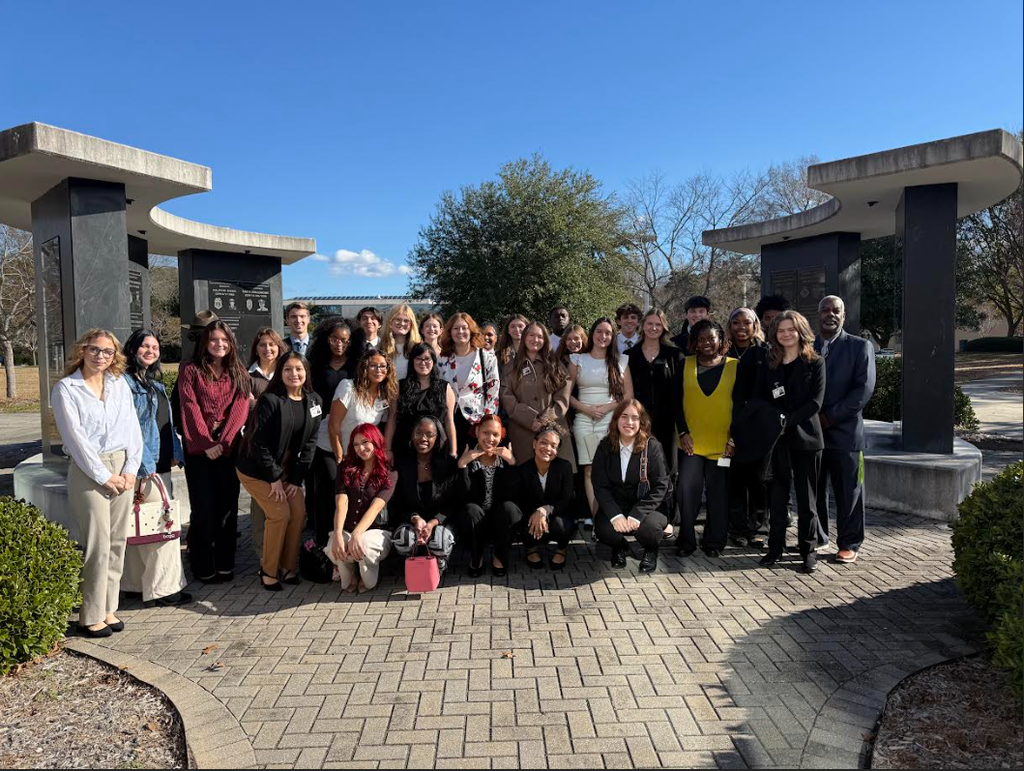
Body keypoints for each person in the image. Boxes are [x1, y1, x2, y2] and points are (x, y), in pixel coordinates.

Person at [52, 329, 143, 637]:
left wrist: (130, 469)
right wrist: (104, 476)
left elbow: (132, 428)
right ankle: (89, 615)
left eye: (107, 351)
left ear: (114, 355)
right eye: (94, 349)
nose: (100, 356)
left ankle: (108, 608)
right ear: (83, 350)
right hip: (88, 469)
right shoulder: (67, 389)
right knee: (97, 545)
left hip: (122, 464)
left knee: (117, 542)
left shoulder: (119, 384)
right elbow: (75, 439)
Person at [236, 352, 322, 591]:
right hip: (257, 469)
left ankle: (288, 567)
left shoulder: (314, 401)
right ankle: (268, 570)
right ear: (280, 373)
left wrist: (295, 479)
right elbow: (259, 444)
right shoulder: (270, 400)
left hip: (287, 470)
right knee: (279, 514)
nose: (294, 374)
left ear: (306, 372)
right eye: (287, 369)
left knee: (298, 513)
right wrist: (274, 478)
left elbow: (310, 444)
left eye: (299, 369)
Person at [177, 320, 251, 584]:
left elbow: (241, 407)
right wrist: (206, 443)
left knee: (227, 508)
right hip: (200, 450)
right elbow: (189, 405)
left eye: (224, 340)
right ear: (205, 343)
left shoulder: (238, 370)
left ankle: (225, 563)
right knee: (203, 509)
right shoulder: (191, 369)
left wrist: (225, 442)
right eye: (213, 340)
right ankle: (202, 564)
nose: (219, 344)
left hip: (228, 448)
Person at [121, 330, 190, 608]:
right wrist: (143, 464)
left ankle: (136, 585)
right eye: (144, 346)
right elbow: (129, 428)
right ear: (132, 349)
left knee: (142, 525)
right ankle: (164, 589)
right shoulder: (124, 384)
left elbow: (165, 424)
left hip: (159, 464)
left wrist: (175, 452)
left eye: (155, 347)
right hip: (142, 466)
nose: (151, 351)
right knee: (162, 528)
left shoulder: (155, 384)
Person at [756, 311, 826, 573]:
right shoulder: (769, 363)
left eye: (791, 329)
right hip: (778, 441)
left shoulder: (815, 362)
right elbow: (762, 398)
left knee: (807, 501)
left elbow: (816, 402)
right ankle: (775, 548)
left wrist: (788, 421)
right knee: (777, 498)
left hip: (807, 439)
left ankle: (808, 551)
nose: (786, 334)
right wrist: (776, 421)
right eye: (781, 330)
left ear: (801, 331)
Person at [814, 295, 876, 564]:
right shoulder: (808, 346)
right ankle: (818, 537)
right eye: (825, 310)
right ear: (818, 315)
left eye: (835, 311)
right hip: (813, 433)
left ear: (843, 315)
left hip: (845, 434)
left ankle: (849, 543)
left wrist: (829, 417)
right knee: (814, 490)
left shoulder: (860, 347)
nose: (830, 314)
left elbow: (863, 390)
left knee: (849, 491)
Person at [673, 320, 737, 559]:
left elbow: (742, 406)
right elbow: (675, 402)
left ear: (720, 339)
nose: (706, 343)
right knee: (686, 491)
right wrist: (683, 432)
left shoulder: (735, 366)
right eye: (701, 339)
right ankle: (686, 540)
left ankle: (714, 541)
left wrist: (734, 440)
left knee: (718, 494)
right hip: (691, 443)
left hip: (723, 446)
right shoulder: (685, 364)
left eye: (711, 338)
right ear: (695, 343)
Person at [592, 400, 671, 573]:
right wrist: (615, 515)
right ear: (616, 420)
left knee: (649, 529)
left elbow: (660, 486)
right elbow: (599, 485)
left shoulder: (653, 447)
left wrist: (638, 513)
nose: (629, 422)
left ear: (641, 422)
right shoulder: (605, 446)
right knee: (603, 530)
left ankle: (651, 550)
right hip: (618, 505)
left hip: (648, 507)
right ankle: (620, 546)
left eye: (635, 418)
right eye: (624, 416)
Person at [569, 317, 633, 520]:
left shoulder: (621, 361)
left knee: (610, 470)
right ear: (592, 333)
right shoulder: (577, 359)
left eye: (607, 333)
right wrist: (586, 409)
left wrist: (607, 407)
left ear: (612, 336)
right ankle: (597, 519)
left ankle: (612, 517)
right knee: (589, 470)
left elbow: (628, 396)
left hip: (611, 421)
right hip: (584, 421)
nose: (602, 336)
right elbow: (566, 395)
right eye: (599, 331)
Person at [326, 424, 397, 593]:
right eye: (356, 444)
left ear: (376, 442)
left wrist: (357, 533)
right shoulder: (345, 467)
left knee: (364, 544)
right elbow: (341, 503)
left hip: (376, 530)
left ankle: (368, 577)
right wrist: (337, 534)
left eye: (365, 442)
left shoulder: (389, 472)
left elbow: (376, 507)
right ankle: (350, 573)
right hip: (348, 528)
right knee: (334, 545)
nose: (361, 448)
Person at [500, 322, 575, 471]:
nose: (535, 339)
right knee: (527, 477)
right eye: (531, 335)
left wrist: (545, 419)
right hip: (523, 432)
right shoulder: (510, 367)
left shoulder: (555, 364)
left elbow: (563, 396)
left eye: (540, 336)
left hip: (554, 428)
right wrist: (530, 419)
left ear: (545, 340)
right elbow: (506, 396)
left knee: (557, 475)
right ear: (524, 337)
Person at [307, 317, 355, 546]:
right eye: (335, 339)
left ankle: (343, 538)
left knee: (347, 489)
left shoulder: (356, 365)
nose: (339, 344)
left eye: (344, 340)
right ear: (326, 339)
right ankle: (321, 541)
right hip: (322, 433)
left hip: (349, 432)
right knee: (325, 486)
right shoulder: (316, 364)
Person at [391, 416, 459, 573]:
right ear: (412, 435)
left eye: (429, 434)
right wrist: (415, 519)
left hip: (439, 521)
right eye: (419, 433)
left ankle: (438, 564)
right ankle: (414, 563)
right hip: (412, 521)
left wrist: (433, 522)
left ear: (438, 437)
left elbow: (453, 503)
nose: (423, 438)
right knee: (404, 539)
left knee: (440, 541)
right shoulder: (402, 465)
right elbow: (398, 503)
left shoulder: (447, 465)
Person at [726, 307, 770, 547]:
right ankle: (737, 527)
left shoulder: (765, 352)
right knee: (735, 479)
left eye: (747, 322)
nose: (741, 327)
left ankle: (759, 527)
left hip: (758, 426)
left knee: (758, 480)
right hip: (729, 425)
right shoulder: (723, 351)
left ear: (755, 326)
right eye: (736, 322)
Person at [453, 414, 517, 577]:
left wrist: (511, 464)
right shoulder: (467, 455)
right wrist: (462, 466)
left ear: (501, 436)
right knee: (470, 510)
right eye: (485, 433)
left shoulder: (505, 458)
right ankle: (477, 557)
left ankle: (499, 557)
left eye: (495, 434)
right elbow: (462, 497)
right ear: (477, 432)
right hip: (476, 520)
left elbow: (512, 495)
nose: (490, 438)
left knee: (509, 509)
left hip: (497, 519)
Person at [507, 424, 576, 571]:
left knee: (561, 525)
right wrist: (536, 513)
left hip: (557, 513)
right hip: (531, 515)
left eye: (553, 446)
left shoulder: (565, 467)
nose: (548, 448)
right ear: (534, 443)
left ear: (557, 450)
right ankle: (530, 548)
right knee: (523, 522)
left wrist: (545, 510)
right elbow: (518, 500)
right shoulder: (523, 469)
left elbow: (566, 500)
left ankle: (562, 549)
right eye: (543, 442)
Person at [438, 312, 501, 452]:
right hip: (449, 419)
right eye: (456, 328)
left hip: (477, 421)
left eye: (464, 328)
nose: (460, 332)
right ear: (450, 332)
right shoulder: (442, 359)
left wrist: (487, 422)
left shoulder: (486, 357)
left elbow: (493, 391)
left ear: (471, 330)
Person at [385, 342, 458, 461]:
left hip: (436, 449)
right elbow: (392, 418)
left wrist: (453, 452)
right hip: (405, 448)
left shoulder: (445, 388)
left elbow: (449, 421)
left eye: (427, 359)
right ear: (412, 362)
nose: (423, 363)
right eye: (418, 359)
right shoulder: (400, 386)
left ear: (433, 361)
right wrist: (387, 449)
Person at [327, 350, 396, 463]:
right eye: (373, 365)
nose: (378, 370)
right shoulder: (348, 387)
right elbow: (333, 424)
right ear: (365, 368)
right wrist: (339, 456)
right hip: (331, 450)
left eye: (383, 366)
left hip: (357, 454)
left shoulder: (383, 396)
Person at [381, 303, 422, 381]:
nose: (402, 323)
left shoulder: (418, 348)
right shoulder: (380, 347)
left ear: (411, 324)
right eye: (398, 319)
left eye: (406, 321)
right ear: (390, 322)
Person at [247, 326, 284, 402]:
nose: (267, 349)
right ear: (256, 349)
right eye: (262, 345)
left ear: (279, 348)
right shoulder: (245, 375)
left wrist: (255, 402)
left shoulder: (286, 373)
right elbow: (244, 404)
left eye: (271, 344)